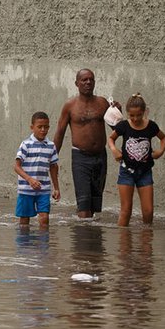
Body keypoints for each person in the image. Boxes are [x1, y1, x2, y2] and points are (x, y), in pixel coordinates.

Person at [53, 69, 119, 219]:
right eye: (84, 80)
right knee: (83, 205)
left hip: (100, 157)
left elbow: (116, 128)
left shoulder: (102, 103)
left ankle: (91, 240)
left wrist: (118, 114)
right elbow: (60, 133)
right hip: (80, 158)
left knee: (94, 207)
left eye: (91, 79)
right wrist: (52, 157)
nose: (88, 82)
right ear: (77, 83)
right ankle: (82, 238)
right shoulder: (70, 106)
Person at [108, 93, 165, 226]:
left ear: (144, 112)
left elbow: (164, 138)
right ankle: (124, 244)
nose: (135, 119)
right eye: (132, 115)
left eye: (139, 115)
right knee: (126, 211)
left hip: (145, 172)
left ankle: (146, 242)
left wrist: (160, 151)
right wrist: (114, 150)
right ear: (127, 113)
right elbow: (111, 138)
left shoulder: (151, 126)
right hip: (126, 172)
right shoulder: (123, 126)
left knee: (148, 211)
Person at [14, 111, 60, 229]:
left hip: (43, 189)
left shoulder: (51, 145)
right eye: (39, 127)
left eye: (46, 127)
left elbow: (53, 167)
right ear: (32, 127)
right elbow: (16, 166)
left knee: (44, 218)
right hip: (26, 189)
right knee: (24, 221)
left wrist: (56, 188)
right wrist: (29, 180)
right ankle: (25, 245)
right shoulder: (26, 145)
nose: (43, 130)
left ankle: (43, 245)